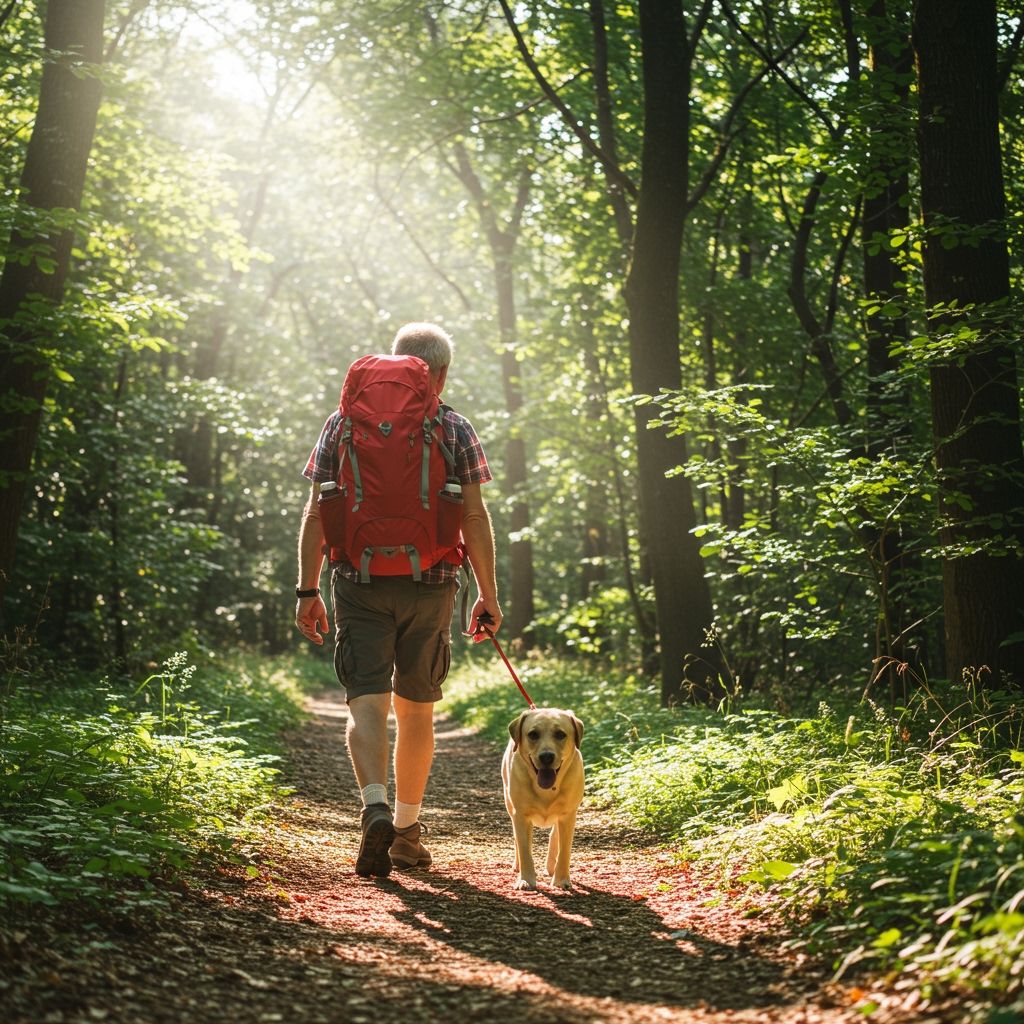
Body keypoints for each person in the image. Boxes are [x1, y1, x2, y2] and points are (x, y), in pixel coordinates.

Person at [294, 322, 502, 879]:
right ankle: (407, 834)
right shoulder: (454, 427)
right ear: (441, 372)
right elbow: (475, 516)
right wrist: (487, 593)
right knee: (416, 712)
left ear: (396, 364)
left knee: (366, 702)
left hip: (356, 579)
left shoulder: (342, 423)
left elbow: (317, 512)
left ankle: (375, 806)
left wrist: (308, 590)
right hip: (432, 583)